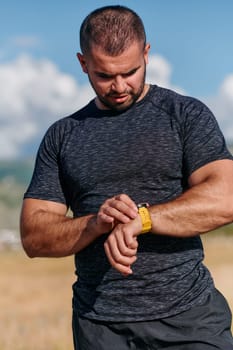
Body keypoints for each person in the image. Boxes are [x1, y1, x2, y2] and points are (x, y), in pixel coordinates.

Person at [20, 5, 233, 350]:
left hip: (189, 321)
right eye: (104, 75)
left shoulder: (185, 115)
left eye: (131, 71)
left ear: (146, 54)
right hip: (100, 328)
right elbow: (33, 236)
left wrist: (142, 219)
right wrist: (96, 223)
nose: (119, 85)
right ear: (83, 63)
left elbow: (226, 198)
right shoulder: (63, 136)